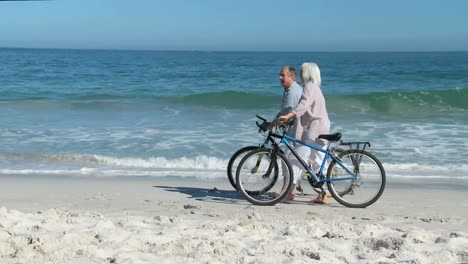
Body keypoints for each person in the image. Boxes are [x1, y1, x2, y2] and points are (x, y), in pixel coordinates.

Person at [278, 62, 331, 204]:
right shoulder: (315, 87)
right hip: (321, 126)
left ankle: (289, 190)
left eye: (302, 71)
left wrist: (290, 115)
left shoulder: (309, 87)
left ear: (306, 73)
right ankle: (324, 194)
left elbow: (303, 105)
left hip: (316, 127)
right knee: (317, 160)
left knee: (299, 156)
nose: (300, 74)